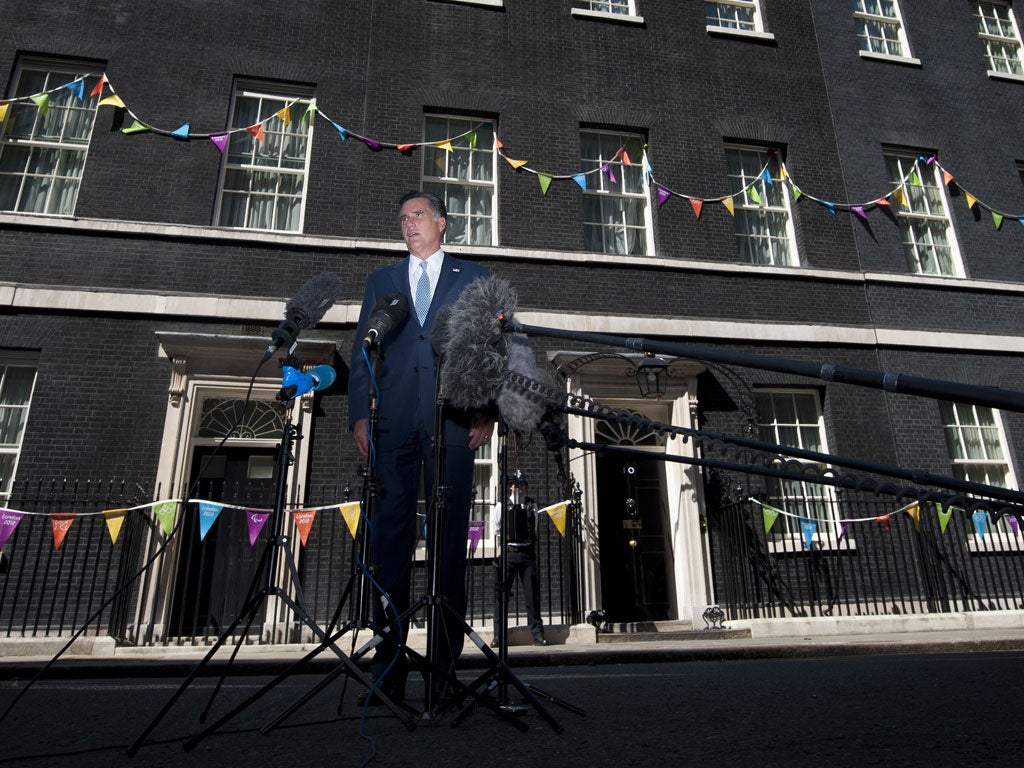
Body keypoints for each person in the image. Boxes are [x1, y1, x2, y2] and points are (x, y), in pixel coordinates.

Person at [348, 190, 495, 707]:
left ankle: (445, 672)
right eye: (402, 217)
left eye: (417, 215)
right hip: (392, 426)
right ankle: (388, 669)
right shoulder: (381, 282)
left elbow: (486, 348)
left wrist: (486, 408)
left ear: (442, 223)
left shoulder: (472, 279)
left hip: (451, 423)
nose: (409, 224)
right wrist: (360, 414)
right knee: (389, 548)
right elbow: (361, 349)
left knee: (448, 548)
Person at [492, 473, 549, 646]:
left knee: (532, 596)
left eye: (522, 484)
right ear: (510, 486)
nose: (518, 487)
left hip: (527, 554)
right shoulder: (501, 505)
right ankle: (499, 636)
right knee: (501, 596)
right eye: (515, 484)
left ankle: (537, 634)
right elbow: (497, 530)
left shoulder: (531, 505)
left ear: (525, 486)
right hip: (509, 553)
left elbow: (535, 528)